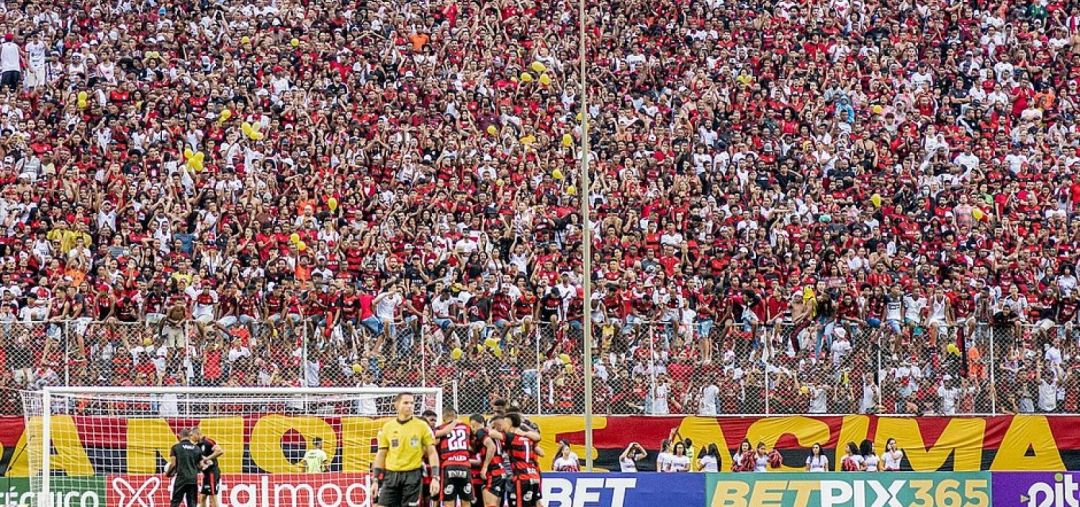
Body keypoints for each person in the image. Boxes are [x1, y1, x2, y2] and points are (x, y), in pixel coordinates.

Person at [373, 393, 440, 507]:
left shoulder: (422, 426)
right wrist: (375, 480)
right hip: (391, 475)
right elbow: (381, 455)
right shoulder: (388, 427)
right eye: (406, 403)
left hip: (412, 475)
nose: (410, 406)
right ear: (397, 405)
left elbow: (432, 453)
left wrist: (435, 477)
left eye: (412, 403)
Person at [433, 409, 475, 507]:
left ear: (443, 417)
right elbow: (472, 446)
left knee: (449, 499)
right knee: (466, 499)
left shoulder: (440, 428)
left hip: (449, 465)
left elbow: (435, 443)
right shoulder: (466, 427)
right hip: (464, 465)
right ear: (456, 416)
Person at [502, 413, 543, 507]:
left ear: (509, 423)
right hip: (533, 474)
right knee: (535, 503)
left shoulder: (510, 436)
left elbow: (493, 434)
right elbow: (538, 438)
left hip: (520, 476)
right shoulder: (528, 437)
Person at [470, 414, 505, 507]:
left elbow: (491, 447)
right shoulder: (492, 433)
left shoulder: (481, 432)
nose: (472, 428)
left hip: (493, 470)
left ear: (481, 423)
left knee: (490, 504)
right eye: (471, 426)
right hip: (500, 470)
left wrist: (484, 467)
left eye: (474, 425)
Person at [165, 429, 203, 507]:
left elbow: (173, 464)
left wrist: (168, 473)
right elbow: (201, 466)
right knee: (192, 503)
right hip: (193, 479)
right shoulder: (196, 448)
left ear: (179, 436)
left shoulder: (175, 447)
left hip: (181, 479)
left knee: (175, 502)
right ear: (189, 437)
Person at [190, 428, 224, 507]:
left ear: (197, 434)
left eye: (192, 435)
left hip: (212, 472)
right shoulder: (196, 446)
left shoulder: (208, 442)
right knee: (202, 497)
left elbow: (220, 451)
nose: (191, 437)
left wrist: (207, 458)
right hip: (206, 474)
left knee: (213, 496)